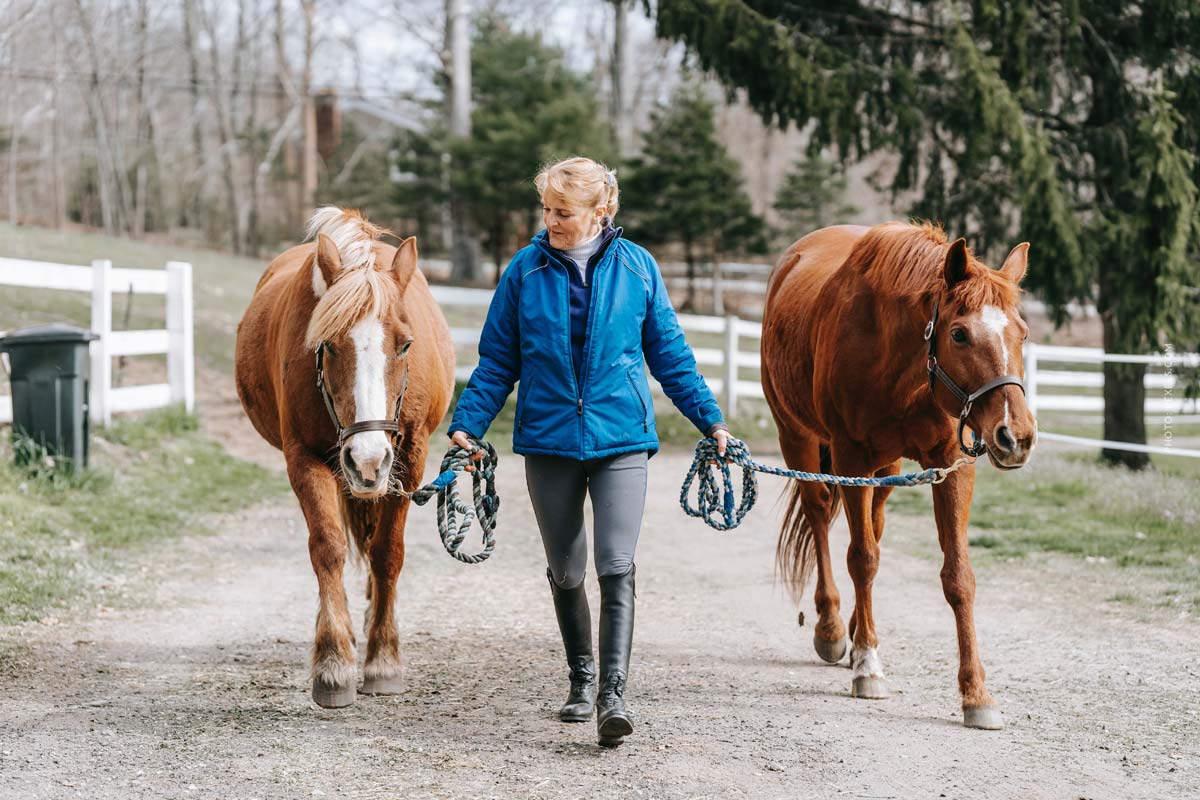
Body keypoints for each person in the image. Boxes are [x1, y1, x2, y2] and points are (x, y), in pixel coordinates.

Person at [448, 156, 732, 747]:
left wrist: (713, 422)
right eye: (546, 208)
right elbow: (499, 359)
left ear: (601, 211)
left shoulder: (638, 268)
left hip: (620, 438)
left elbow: (671, 356)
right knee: (567, 567)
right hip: (549, 439)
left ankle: (612, 693)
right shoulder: (525, 272)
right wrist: (467, 426)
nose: (548, 220)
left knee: (614, 561)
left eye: (562, 211)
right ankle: (580, 677)